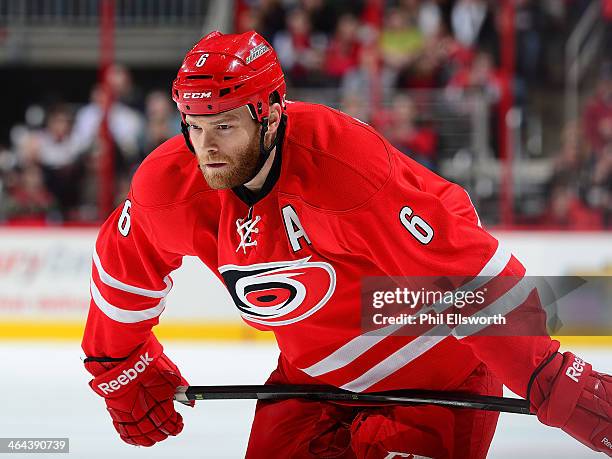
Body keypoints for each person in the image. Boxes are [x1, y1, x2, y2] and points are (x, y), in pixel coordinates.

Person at [81, 31, 612, 458]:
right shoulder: (171, 184)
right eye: (195, 127)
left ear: (268, 114)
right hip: (311, 384)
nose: (206, 147)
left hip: (433, 380)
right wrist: (120, 364)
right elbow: (123, 263)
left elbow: (469, 274)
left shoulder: (344, 171)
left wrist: (546, 375)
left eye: (223, 126)